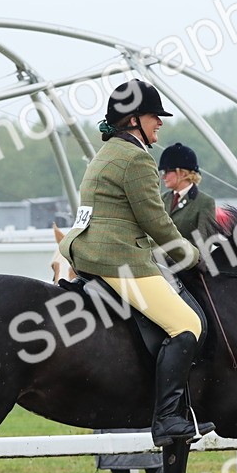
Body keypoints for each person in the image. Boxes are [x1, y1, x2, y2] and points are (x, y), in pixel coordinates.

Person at [58, 79, 214, 447]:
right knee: (187, 323)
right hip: (119, 260)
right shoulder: (136, 158)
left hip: (88, 253)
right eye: (153, 116)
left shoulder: (108, 152)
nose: (159, 123)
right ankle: (167, 419)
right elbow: (156, 221)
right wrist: (191, 255)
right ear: (132, 120)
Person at [159, 143, 218, 242]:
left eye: (167, 172)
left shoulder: (205, 202)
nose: (163, 177)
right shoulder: (162, 199)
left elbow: (203, 243)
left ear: (182, 173)